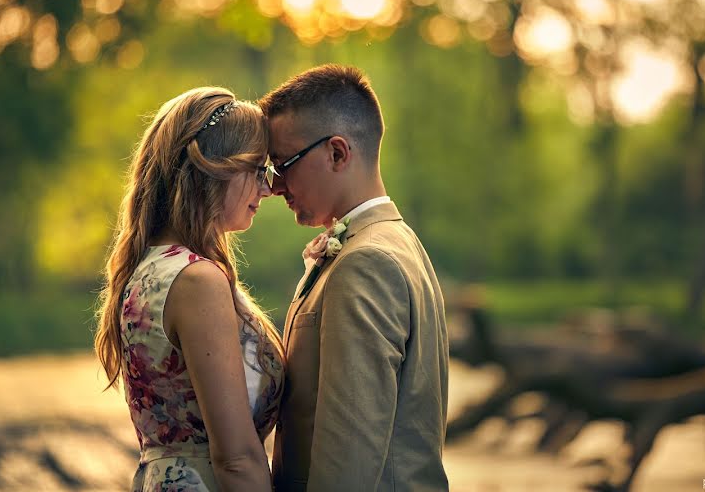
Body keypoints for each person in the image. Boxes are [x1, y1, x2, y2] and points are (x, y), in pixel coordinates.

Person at [260, 65, 450, 491]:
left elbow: (349, 455)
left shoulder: (365, 262)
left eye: (283, 165)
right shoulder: (398, 242)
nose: (274, 188)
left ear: (337, 153)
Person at [93, 88, 284, 492]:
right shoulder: (197, 281)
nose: (267, 189)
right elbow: (235, 457)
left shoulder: (150, 268)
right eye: (256, 169)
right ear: (214, 169)